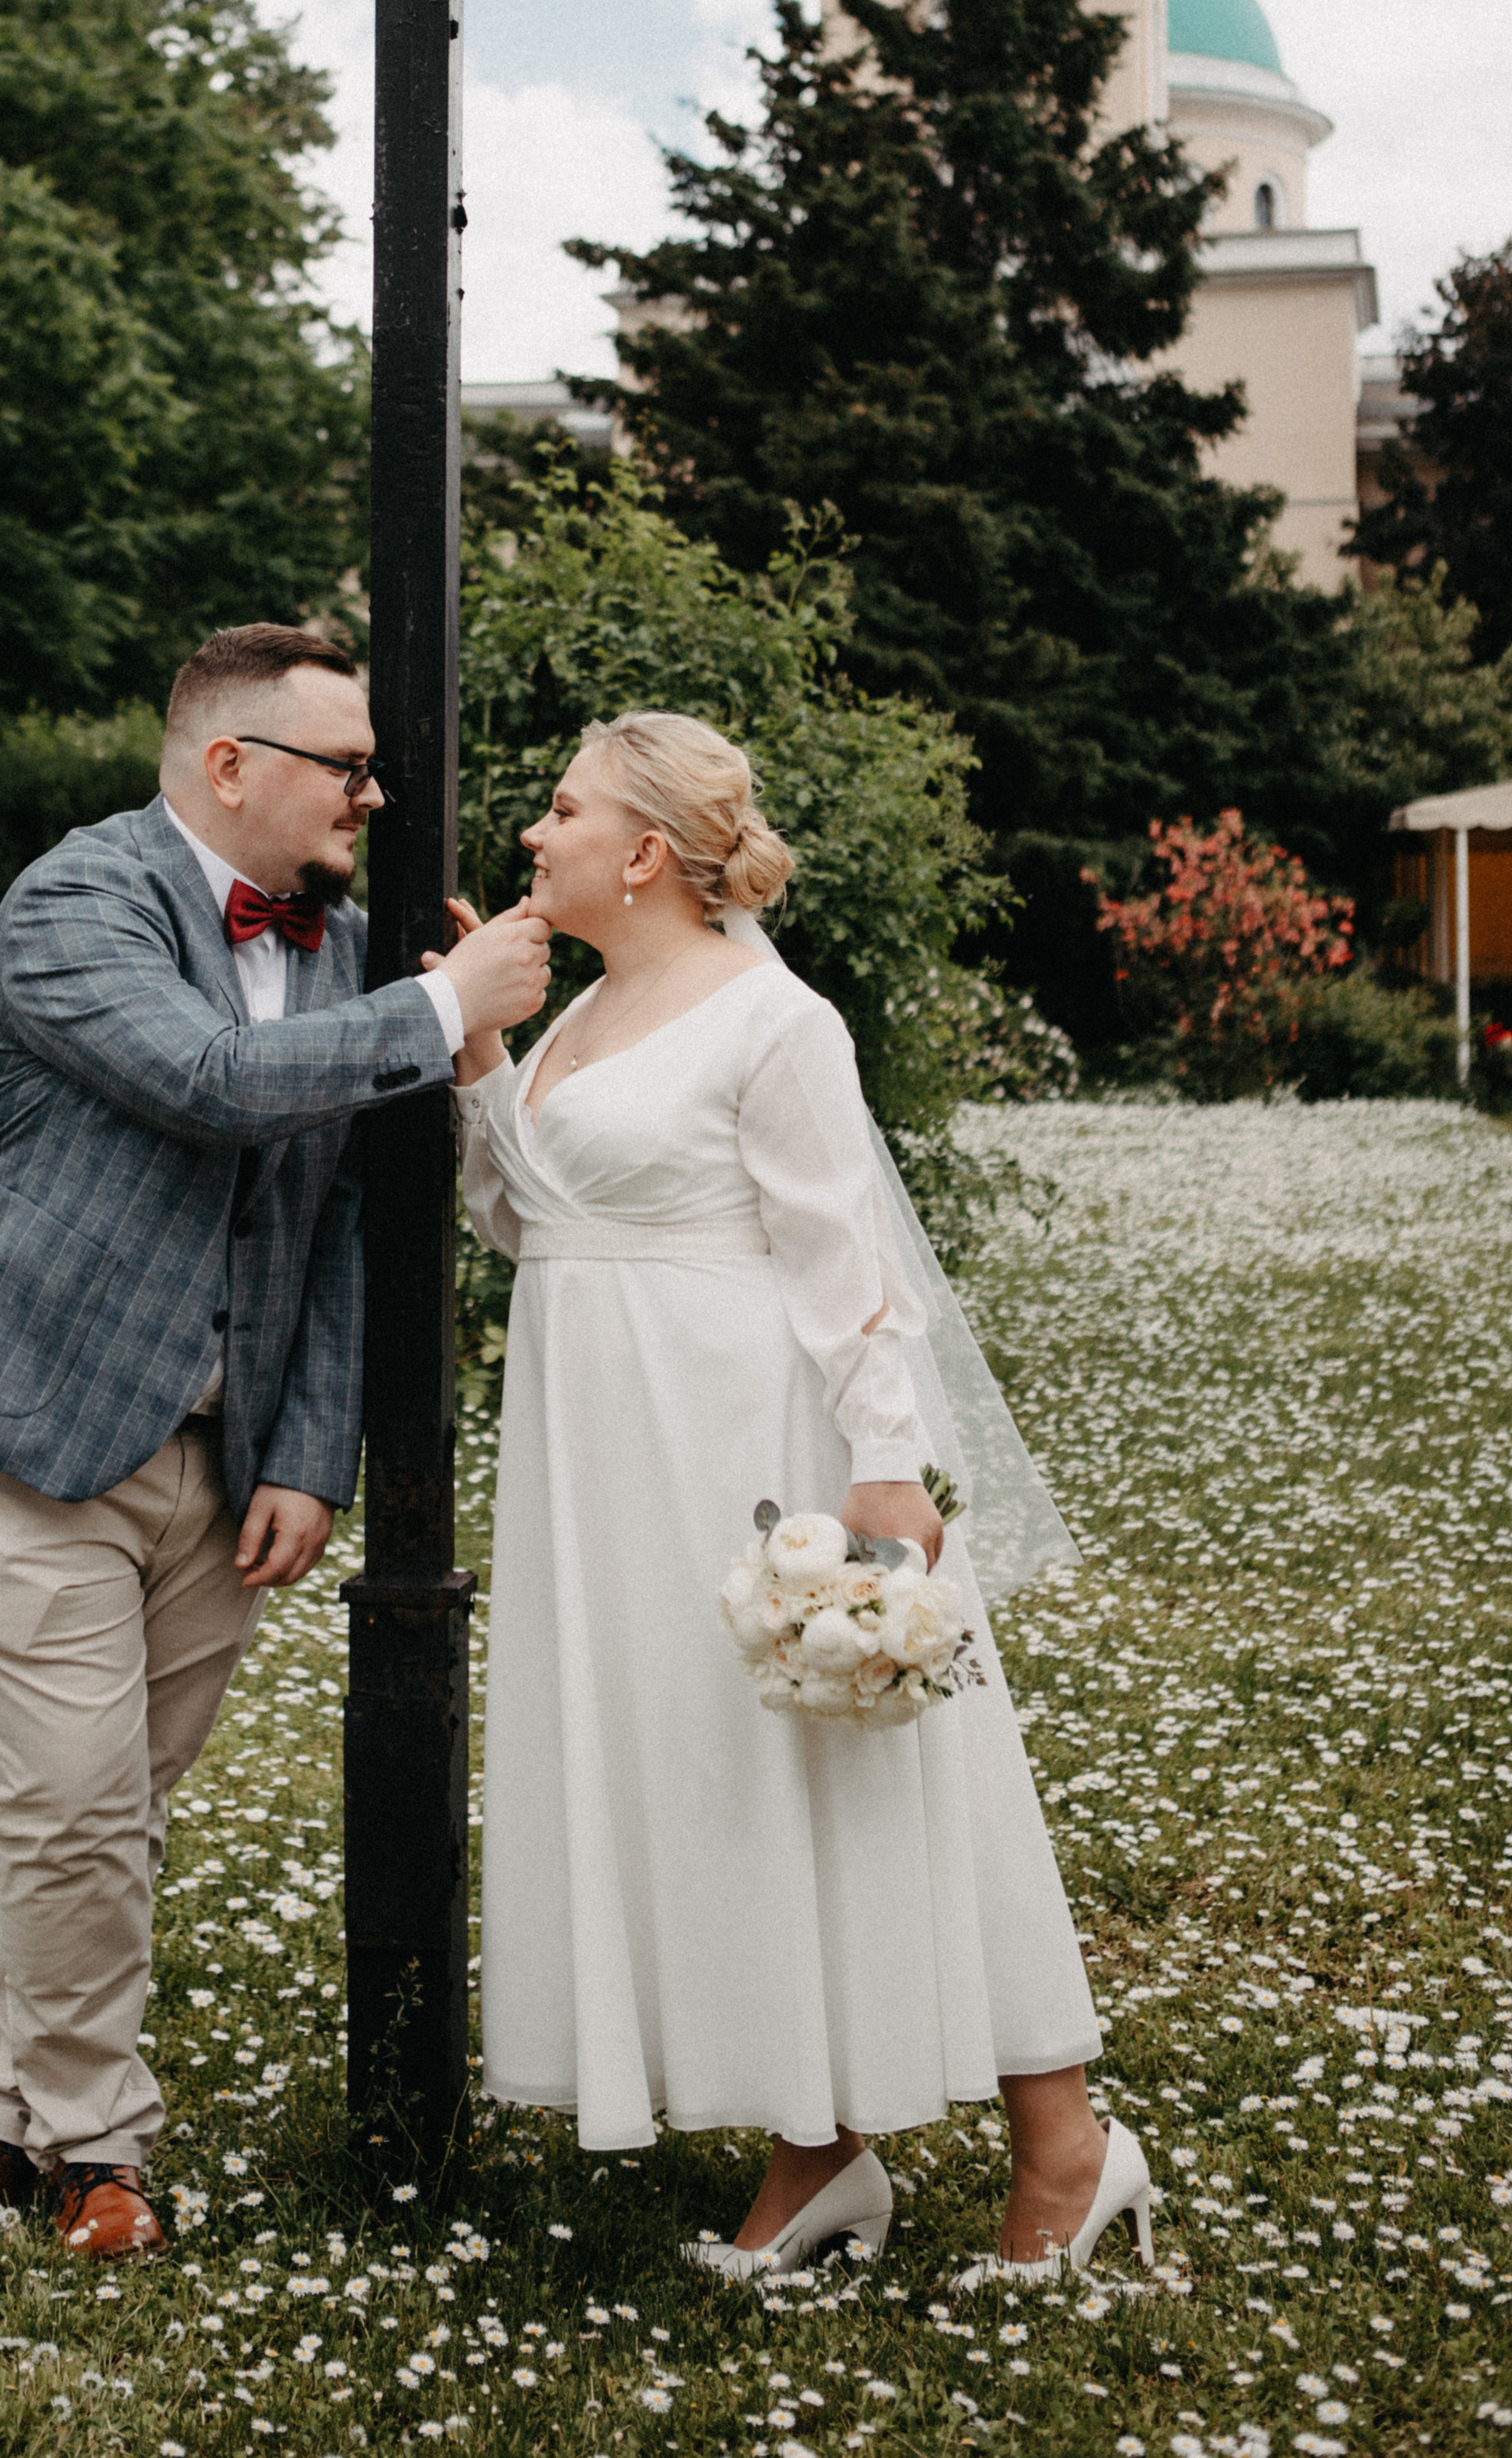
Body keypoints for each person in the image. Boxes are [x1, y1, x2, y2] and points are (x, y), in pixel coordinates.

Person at [444, 710, 1150, 2280]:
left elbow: (849, 1266)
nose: (530, 837)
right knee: (702, 1780)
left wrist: (883, 1467)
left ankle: (1070, 2146)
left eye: (559, 813)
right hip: (602, 1452)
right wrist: (485, 1052)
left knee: (880, 1775)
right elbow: (527, 1222)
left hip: (742, 1437)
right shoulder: (578, 1016)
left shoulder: (775, 1019)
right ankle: (818, 2153)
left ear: (643, 853)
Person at [0, 623, 551, 2257]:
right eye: (350, 767)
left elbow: (335, 1226)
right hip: (35, 1419)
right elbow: (206, 1075)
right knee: (80, 1802)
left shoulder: (344, 948)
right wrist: (443, 1002)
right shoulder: (77, 900)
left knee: (99, 1808)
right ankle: (104, 2152)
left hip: (227, 1455)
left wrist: (312, 1452)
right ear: (229, 764)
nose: (377, 799)